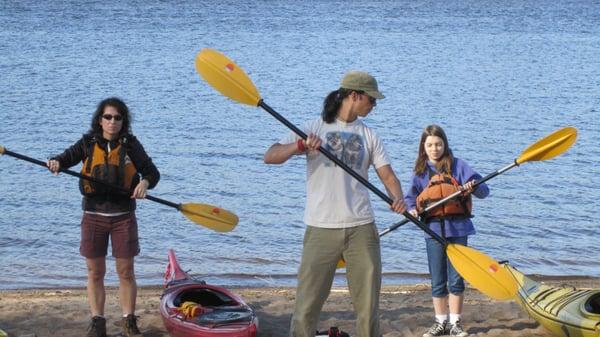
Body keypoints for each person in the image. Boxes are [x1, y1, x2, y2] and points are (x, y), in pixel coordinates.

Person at [264, 71, 407, 337]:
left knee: (368, 308)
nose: (374, 105)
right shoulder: (313, 128)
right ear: (355, 95)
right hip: (320, 228)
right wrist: (299, 146)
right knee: (306, 306)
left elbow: (388, 176)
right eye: (371, 99)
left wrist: (399, 198)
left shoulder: (369, 135)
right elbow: (270, 155)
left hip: (362, 229)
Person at [47, 97, 160, 337]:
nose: (112, 122)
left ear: (123, 121)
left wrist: (145, 183)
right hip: (93, 217)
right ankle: (98, 321)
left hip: (123, 218)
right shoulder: (88, 143)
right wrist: (55, 162)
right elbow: (65, 158)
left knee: (126, 272)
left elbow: (152, 172)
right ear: (100, 120)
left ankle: (129, 320)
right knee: (95, 272)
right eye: (108, 117)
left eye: (117, 118)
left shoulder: (131, 144)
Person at [403, 125, 489, 337]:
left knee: (456, 279)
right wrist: (411, 209)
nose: (435, 148)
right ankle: (440, 323)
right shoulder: (420, 173)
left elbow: (484, 191)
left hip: (458, 229)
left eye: (439, 144)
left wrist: (473, 186)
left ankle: (455, 324)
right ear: (423, 147)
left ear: (445, 144)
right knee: (438, 279)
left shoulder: (459, 166)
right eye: (430, 145)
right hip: (432, 231)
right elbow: (408, 199)